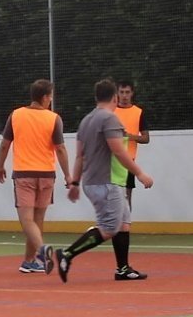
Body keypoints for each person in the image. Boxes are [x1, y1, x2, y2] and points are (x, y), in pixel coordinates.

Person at [51, 77, 156, 283]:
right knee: (109, 228)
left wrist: (75, 182)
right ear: (115, 97)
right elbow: (118, 150)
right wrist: (140, 173)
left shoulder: (86, 120)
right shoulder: (110, 118)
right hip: (106, 181)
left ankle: (123, 269)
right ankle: (67, 254)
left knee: (124, 223)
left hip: (100, 180)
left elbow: (80, 155)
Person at [0, 79, 68, 274]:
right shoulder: (54, 119)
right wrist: (68, 175)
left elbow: (4, 144)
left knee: (26, 220)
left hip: (24, 174)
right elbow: (60, 149)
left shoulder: (16, 115)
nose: (51, 100)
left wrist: (0, 166)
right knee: (37, 220)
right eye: (50, 96)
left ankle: (42, 251)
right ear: (44, 97)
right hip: (46, 175)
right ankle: (28, 261)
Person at [110, 80, 150, 206]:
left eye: (127, 92)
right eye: (121, 92)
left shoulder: (138, 112)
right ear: (117, 93)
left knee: (127, 197)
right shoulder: (111, 111)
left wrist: (129, 136)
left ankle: (126, 225)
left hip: (128, 160)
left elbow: (146, 138)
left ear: (132, 93)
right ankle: (113, 225)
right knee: (111, 197)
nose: (124, 95)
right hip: (111, 159)